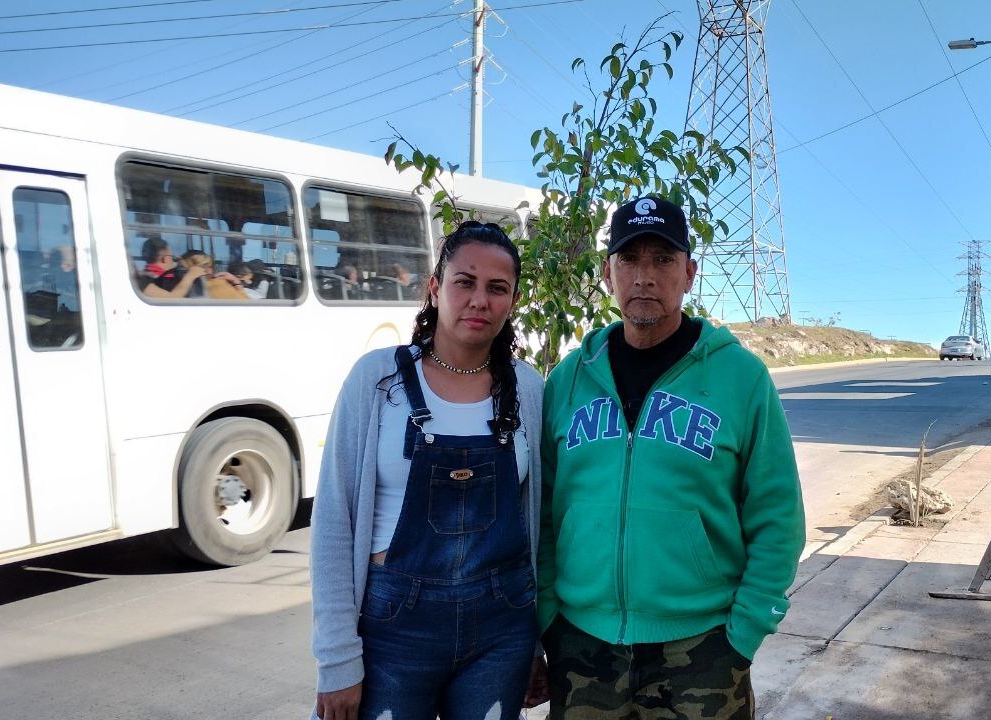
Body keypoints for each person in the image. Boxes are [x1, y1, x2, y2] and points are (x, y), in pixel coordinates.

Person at [535, 196, 805, 720]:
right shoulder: (568, 380)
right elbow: (542, 512)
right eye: (630, 259)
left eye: (662, 259)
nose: (645, 276)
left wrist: (743, 635)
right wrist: (549, 616)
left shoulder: (741, 378)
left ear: (689, 273)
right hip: (582, 648)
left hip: (703, 651)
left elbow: (778, 518)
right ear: (608, 273)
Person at [310, 221, 545, 720]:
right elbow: (333, 522)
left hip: (501, 633)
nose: (479, 300)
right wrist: (337, 660)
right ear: (436, 288)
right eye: (465, 281)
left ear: (512, 300)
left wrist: (536, 642)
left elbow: (537, 527)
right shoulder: (376, 379)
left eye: (497, 288)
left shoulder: (528, 388)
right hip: (393, 632)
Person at [137, 237, 205, 299]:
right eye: (172, 257)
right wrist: (190, 276)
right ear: (165, 259)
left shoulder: (167, 277)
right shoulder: (143, 280)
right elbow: (172, 299)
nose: (173, 261)